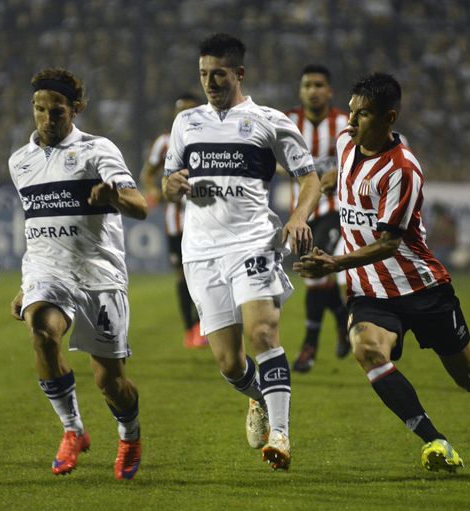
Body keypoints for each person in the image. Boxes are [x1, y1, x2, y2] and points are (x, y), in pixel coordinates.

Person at [294, 72, 470, 472]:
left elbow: (390, 244)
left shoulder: (402, 170)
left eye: (364, 116)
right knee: (367, 349)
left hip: (421, 288)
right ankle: (435, 441)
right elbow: (338, 175)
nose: (352, 123)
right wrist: (321, 190)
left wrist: (335, 262)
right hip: (370, 291)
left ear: (390, 118)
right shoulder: (346, 143)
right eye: (352, 114)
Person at [162, 33, 320, 471]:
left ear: (239, 74)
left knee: (263, 333)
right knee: (230, 363)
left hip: (253, 243)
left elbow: (310, 178)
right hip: (201, 252)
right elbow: (170, 180)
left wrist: (299, 218)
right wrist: (170, 185)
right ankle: (259, 399)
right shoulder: (186, 123)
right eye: (203, 74)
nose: (210, 82)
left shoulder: (267, 121)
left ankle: (282, 436)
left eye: (218, 74)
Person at [9, 68, 148, 480]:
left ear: (76, 109)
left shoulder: (97, 150)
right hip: (48, 272)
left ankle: (129, 435)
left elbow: (140, 207)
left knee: (111, 383)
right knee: (41, 331)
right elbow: (35, 225)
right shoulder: (20, 161)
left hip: (99, 277)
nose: (46, 120)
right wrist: (25, 287)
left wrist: (114, 196)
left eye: (56, 112)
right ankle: (73, 430)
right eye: (38, 110)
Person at [285, 64, 351, 373]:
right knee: (317, 277)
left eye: (319, 85)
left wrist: (339, 172)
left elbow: (362, 154)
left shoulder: (345, 123)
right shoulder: (286, 122)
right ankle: (342, 319)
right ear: (300, 91)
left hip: (335, 210)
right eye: (307, 85)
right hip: (300, 215)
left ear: (329, 91)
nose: (313, 90)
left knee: (316, 274)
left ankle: (308, 348)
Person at [140, 92, 207, 349]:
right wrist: (154, 190)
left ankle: (204, 325)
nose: (186, 115)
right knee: (181, 275)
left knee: (202, 275)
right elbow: (148, 173)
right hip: (175, 221)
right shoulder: (165, 142)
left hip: (203, 219)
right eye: (182, 110)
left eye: (191, 110)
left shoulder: (210, 138)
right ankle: (189, 328)